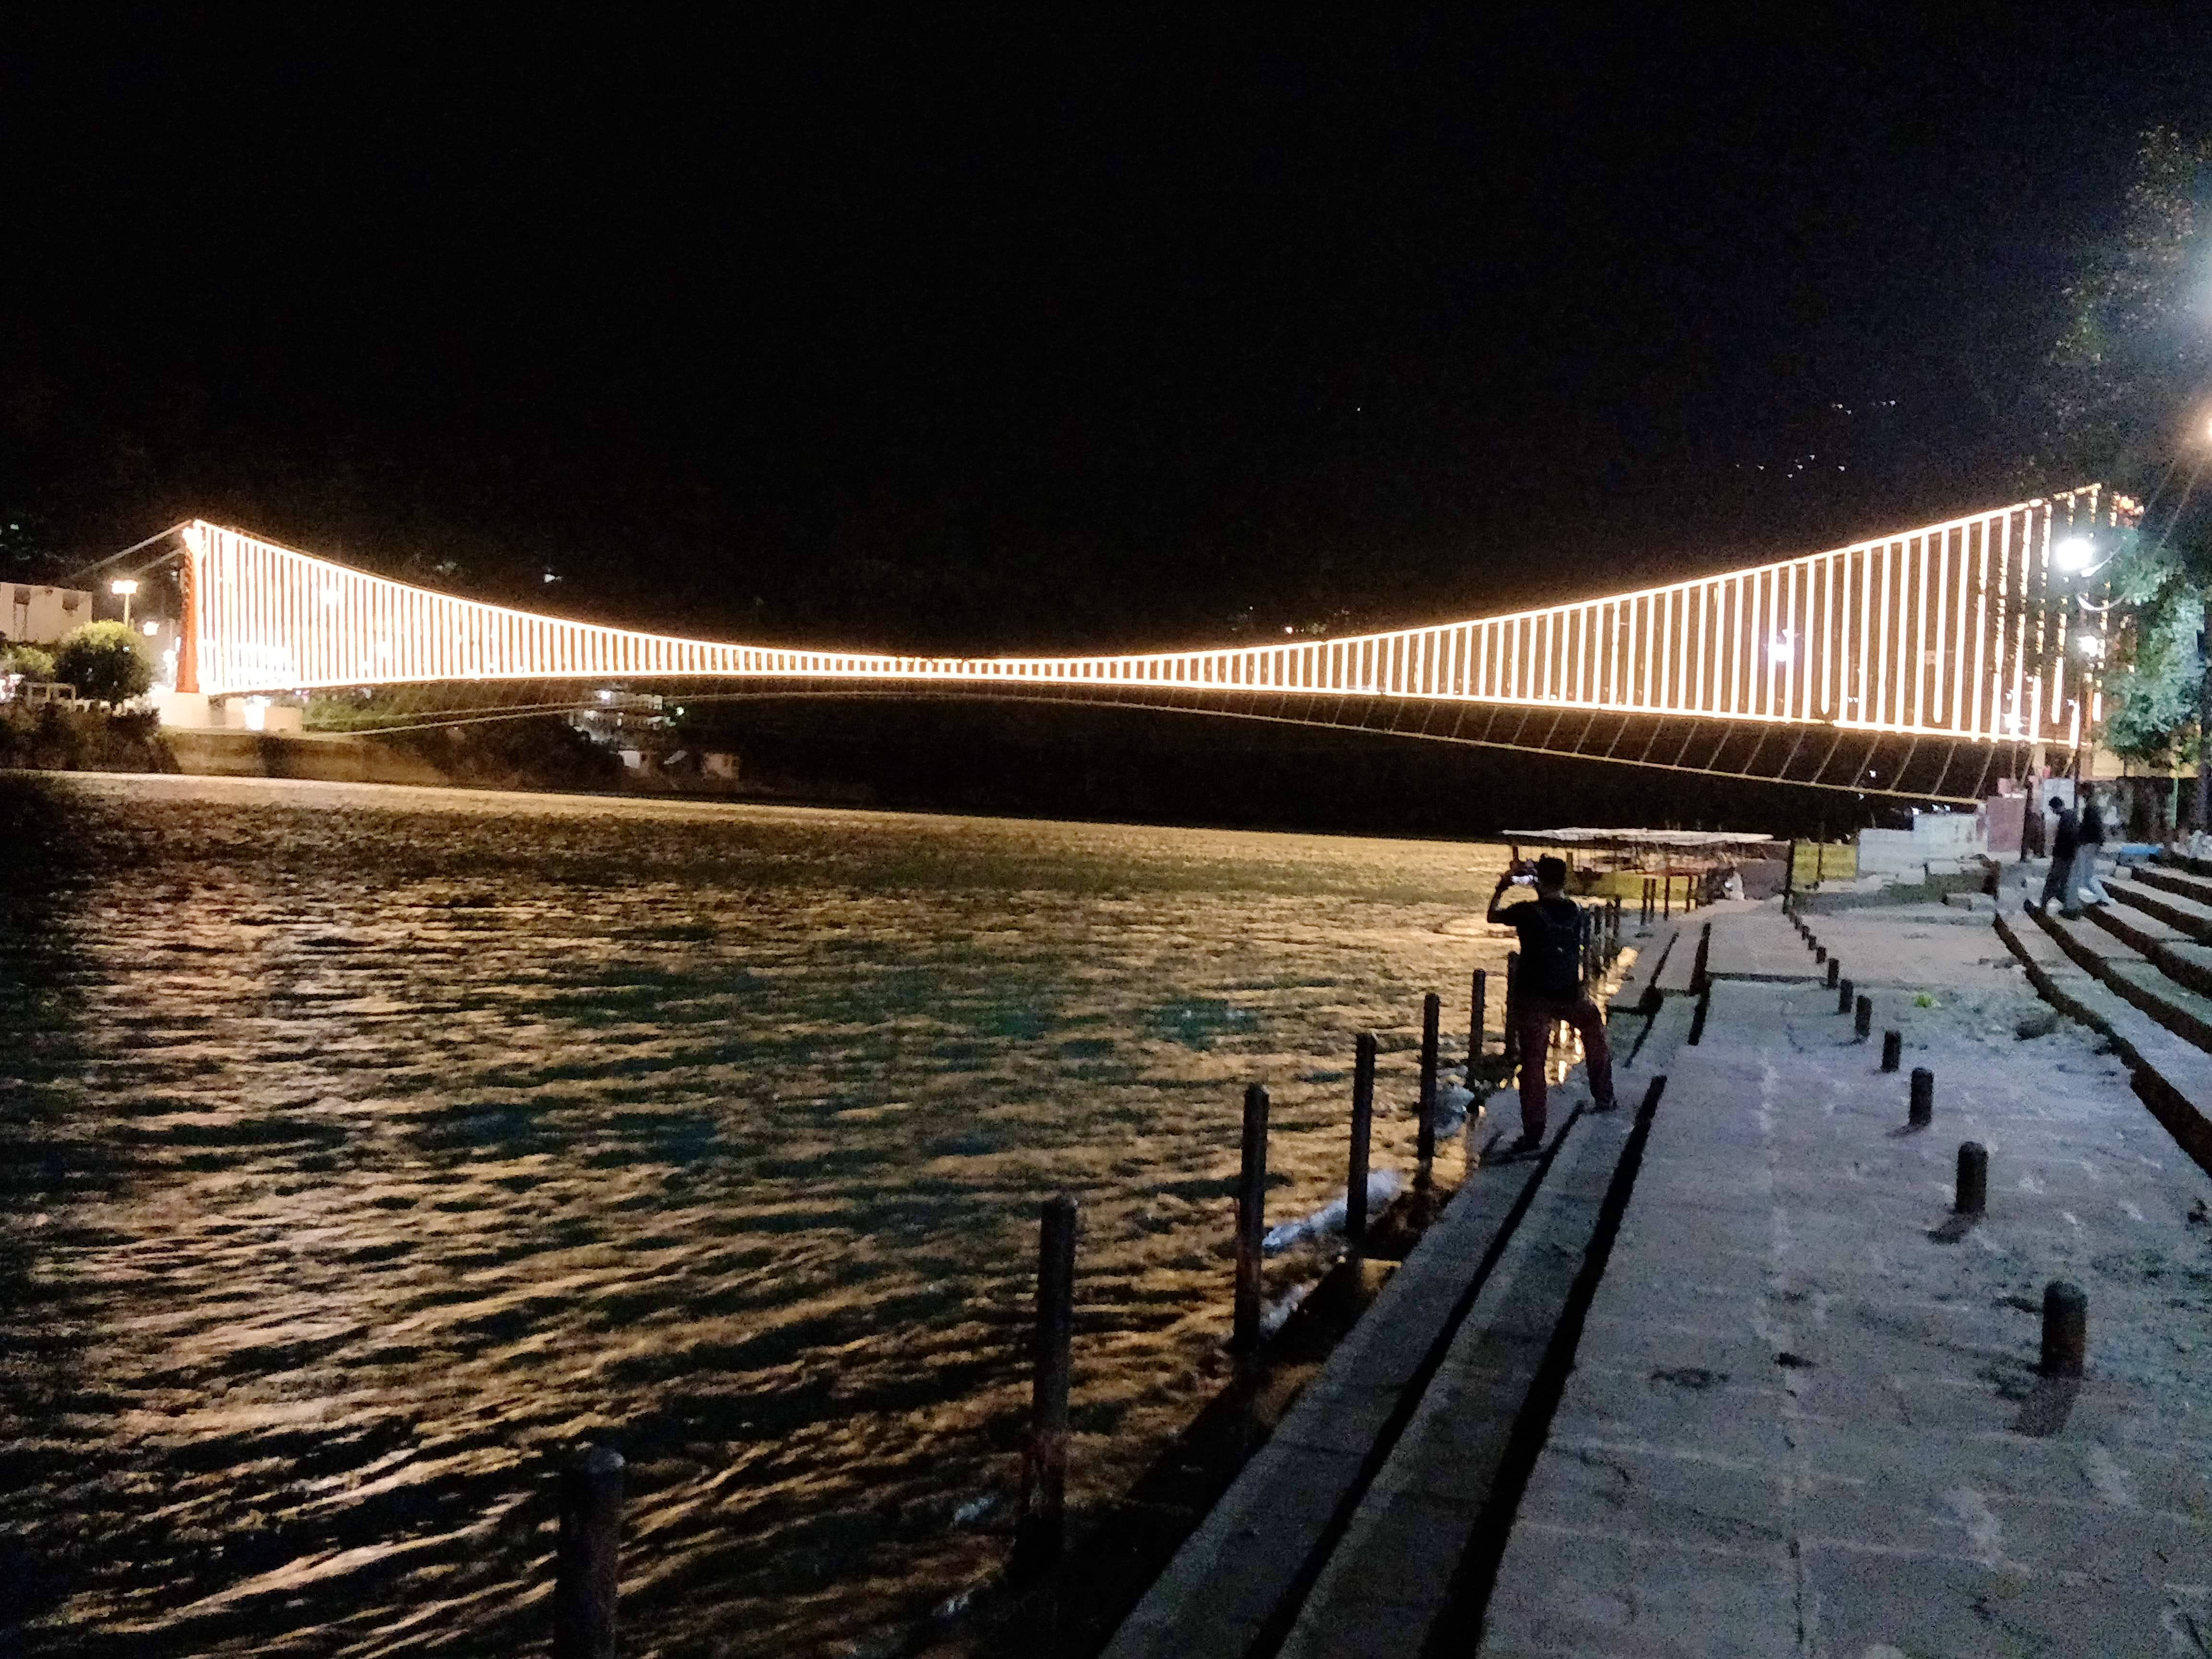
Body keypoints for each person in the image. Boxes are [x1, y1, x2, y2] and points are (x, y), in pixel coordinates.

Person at [1487, 854, 1616, 1157]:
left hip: (1533, 997)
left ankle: (1533, 1136)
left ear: (1537, 882)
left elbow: (1492, 916)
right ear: (1565, 880)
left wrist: (1503, 885)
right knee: (1595, 1035)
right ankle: (1604, 1096)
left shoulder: (1527, 912)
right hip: (1570, 995)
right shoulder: (1576, 912)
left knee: (1533, 1065)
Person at [2036, 796, 2080, 917]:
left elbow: (2065, 839)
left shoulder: (2066, 819)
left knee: (2054, 880)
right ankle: (2066, 906)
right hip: (2068, 855)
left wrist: (2057, 852)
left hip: (2063, 855)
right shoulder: (2071, 817)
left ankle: (2045, 905)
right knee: (2063, 881)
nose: (2052, 811)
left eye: (2052, 809)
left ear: (2055, 807)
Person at [2076, 788, 2111, 905]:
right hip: (2092, 843)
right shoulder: (2093, 807)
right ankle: (2100, 898)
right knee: (2088, 875)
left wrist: (2083, 838)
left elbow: (2091, 827)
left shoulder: (2091, 809)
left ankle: (2103, 899)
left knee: (2088, 875)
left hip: (2090, 843)